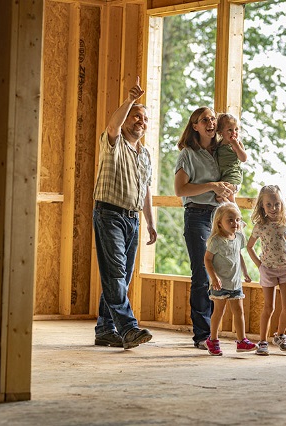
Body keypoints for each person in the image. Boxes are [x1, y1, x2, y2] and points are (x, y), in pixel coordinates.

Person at [93, 77, 157, 350]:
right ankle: (128, 327)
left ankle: (105, 328)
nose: (140, 122)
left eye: (145, 119)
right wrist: (130, 99)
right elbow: (113, 124)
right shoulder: (114, 142)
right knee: (116, 273)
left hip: (132, 220)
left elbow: (145, 191)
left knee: (119, 275)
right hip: (109, 214)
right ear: (126, 119)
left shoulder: (145, 154)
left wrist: (150, 224)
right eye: (136, 117)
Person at [174, 107, 235, 349]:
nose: (210, 122)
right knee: (202, 274)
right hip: (197, 217)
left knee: (221, 274)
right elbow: (181, 190)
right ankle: (202, 334)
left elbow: (231, 178)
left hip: (219, 217)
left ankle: (214, 334)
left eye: (212, 119)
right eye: (204, 120)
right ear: (195, 127)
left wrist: (228, 190)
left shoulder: (222, 151)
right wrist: (212, 186)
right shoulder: (188, 154)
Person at [247, 185, 286, 356]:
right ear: (262, 205)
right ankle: (262, 342)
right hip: (268, 270)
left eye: (276, 204)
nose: (273, 208)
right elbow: (249, 247)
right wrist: (259, 265)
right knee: (268, 307)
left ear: (281, 203)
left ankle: (280, 335)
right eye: (269, 205)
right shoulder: (260, 225)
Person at [203, 202, 257, 356]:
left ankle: (242, 341)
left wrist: (245, 272)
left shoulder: (239, 236)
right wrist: (214, 277)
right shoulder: (216, 241)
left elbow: (238, 255)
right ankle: (212, 340)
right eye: (230, 220)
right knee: (219, 311)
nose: (235, 223)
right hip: (220, 284)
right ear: (220, 223)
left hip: (235, 282)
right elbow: (207, 260)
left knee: (239, 311)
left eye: (237, 219)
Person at [215, 113, 247, 203]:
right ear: (220, 132)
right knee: (221, 198)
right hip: (223, 175)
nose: (234, 133)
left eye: (236, 129)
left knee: (221, 196)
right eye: (229, 130)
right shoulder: (219, 144)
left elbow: (243, 158)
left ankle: (234, 211)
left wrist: (236, 146)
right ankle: (232, 210)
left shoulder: (237, 143)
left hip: (233, 175)